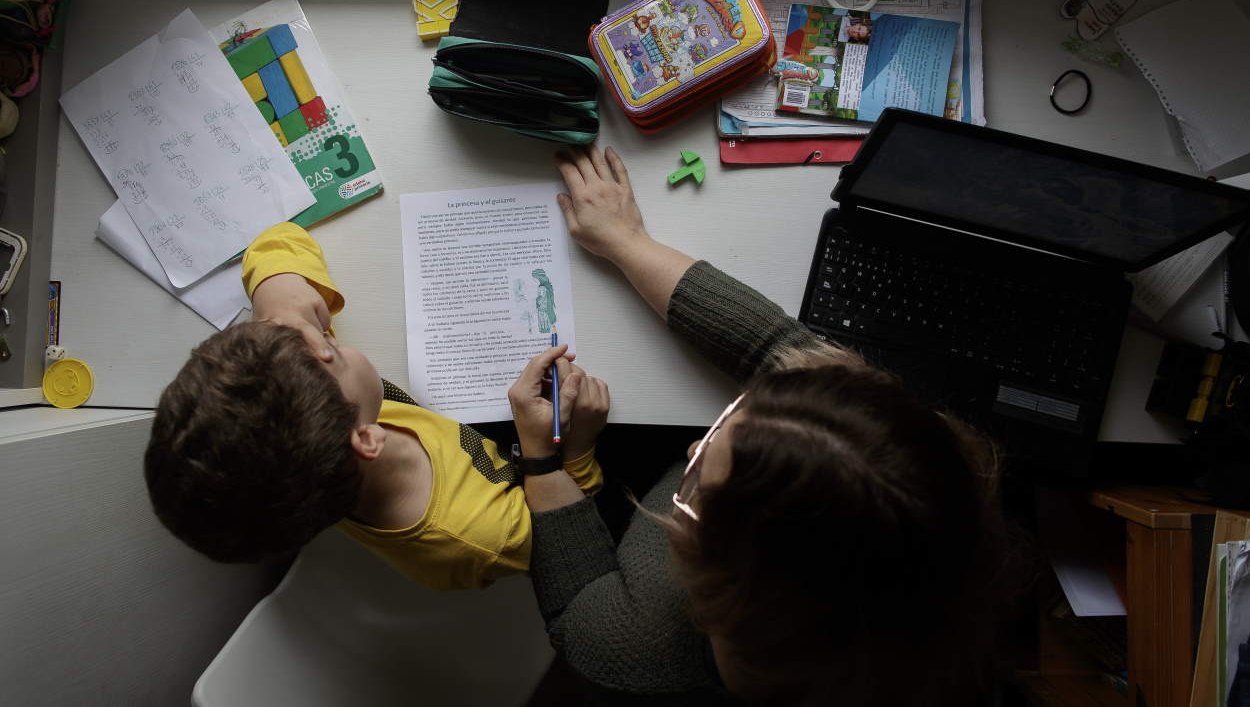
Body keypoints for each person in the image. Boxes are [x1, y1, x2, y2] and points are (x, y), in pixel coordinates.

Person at [506, 146, 1014, 705]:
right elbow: (774, 346)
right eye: (729, 420)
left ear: (718, 573)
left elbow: (574, 608)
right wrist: (626, 242)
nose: (698, 443)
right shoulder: (904, 473)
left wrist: (541, 458)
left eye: (698, 483)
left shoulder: (633, 641)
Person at [144, 222, 606, 590]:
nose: (327, 339)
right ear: (367, 438)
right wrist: (573, 449)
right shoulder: (477, 536)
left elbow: (277, 236)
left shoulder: (312, 424)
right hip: (545, 479)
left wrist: (277, 295)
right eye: (332, 349)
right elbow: (570, 547)